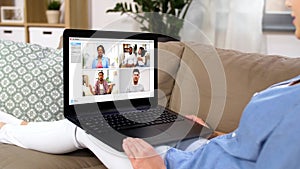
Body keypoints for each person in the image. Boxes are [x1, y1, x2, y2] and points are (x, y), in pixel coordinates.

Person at [1, 0, 300, 168]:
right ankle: (16, 126)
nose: (288, 2)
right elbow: (253, 145)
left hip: (175, 163)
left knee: (82, 126)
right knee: (96, 119)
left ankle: (10, 128)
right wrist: (210, 133)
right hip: (196, 149)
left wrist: (160, 166)